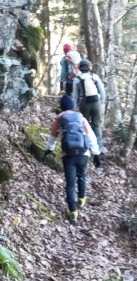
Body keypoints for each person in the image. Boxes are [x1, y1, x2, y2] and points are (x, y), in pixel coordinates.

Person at [44, 95, 101, 223]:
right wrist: (96, 153)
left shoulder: (60, 118)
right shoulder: (81, 118)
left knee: (70, 184)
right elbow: (91, 136)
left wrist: (50, 149)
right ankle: (82, 198)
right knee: (81, 175)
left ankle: (73, 212)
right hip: (83, 153)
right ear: (73, 106)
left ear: (61, 106)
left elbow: (53, 134)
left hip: (68, 154)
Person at [72, 59, 106, 149]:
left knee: (84, 124)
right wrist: (102, 102)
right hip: (96, 102)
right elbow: (102, 91)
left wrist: (74, 107)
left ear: (80, 69)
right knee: (96, 124)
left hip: (84, 103)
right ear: (89, 68)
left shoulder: (77, 80)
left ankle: (86, 145)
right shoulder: (95, 77)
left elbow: (75, 95)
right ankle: (99, 147)